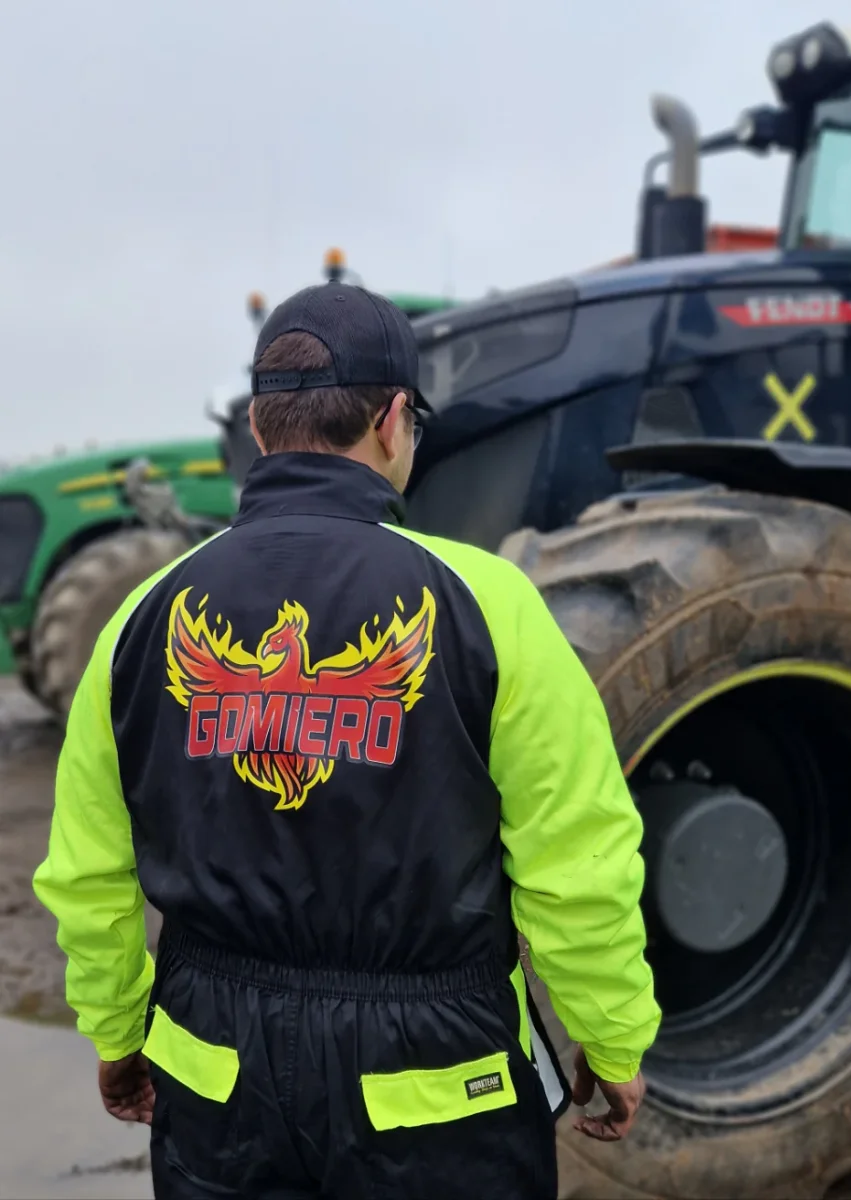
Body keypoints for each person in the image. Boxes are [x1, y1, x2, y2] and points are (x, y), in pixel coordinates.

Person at [33, 281, 661, 1199]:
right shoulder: (488, 605)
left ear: (258, 425)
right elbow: (575, 862)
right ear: (394, 420)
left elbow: (89, 870)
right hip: (434, 1086)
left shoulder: (144, 613)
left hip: (213, 1074)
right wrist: (610, 1037)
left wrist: (118, 1030)